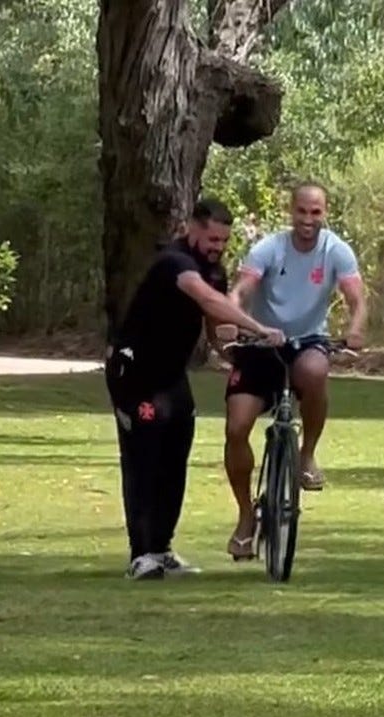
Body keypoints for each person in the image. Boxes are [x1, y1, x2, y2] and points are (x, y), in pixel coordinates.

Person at [105, 198, 284, 580]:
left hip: (171, 377)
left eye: (223, 240)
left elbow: (211, 320)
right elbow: (205, 298)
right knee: (143, 459)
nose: (217, 246)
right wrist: (258, 327)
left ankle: (162, 549)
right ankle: (141, 555)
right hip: (135, 374)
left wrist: (233, 354)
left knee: (174, 457)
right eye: (212, 238)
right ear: (193, 228)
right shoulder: (175, 262)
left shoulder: (213, 272)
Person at [222, 182, 367, 560]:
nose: (308, 219)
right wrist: (234, 316)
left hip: (307, 341)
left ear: (325, 212)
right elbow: (242, 289)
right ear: (292, 211)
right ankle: (244, 517)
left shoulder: (336, 250)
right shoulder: (269, 248)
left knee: (316, 370)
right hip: (262, 341)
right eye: (302, 211)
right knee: (237, 428)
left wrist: (354, 329)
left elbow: (356, 298)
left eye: (315, 212)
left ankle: (306, 455)